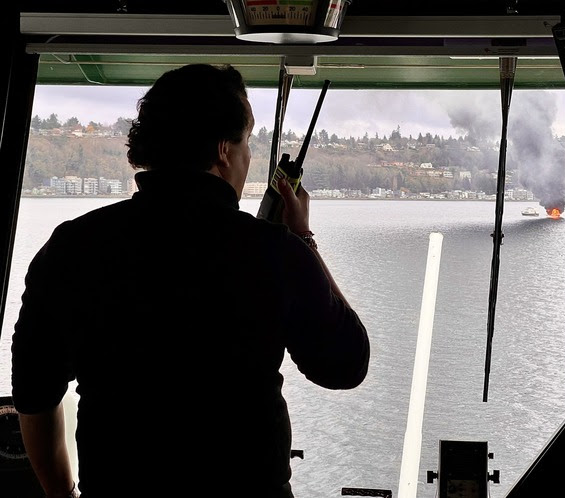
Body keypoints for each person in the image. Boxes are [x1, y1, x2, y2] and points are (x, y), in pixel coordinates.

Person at [11, 63, 370, 498]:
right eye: (247, 140)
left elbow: (33, 394)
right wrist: (304, 239)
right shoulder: (273, 250)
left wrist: (62, 494)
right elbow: (346, 365)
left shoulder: (71, 247)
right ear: (223, 150)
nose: (248, 156)